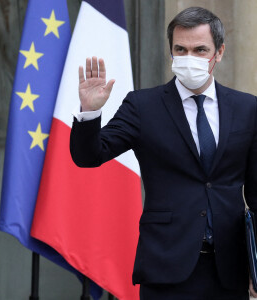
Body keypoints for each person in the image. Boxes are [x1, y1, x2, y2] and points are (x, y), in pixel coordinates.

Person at [70, 6, 257, 300]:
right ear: (171, 51)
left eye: (200, 50)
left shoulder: (247, 108)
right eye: (180, 49)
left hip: (229, 270)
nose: (189, 58)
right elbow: (90, 156)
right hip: (167, 267)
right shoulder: (143, 106)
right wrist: (90, 113)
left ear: (218, 53)